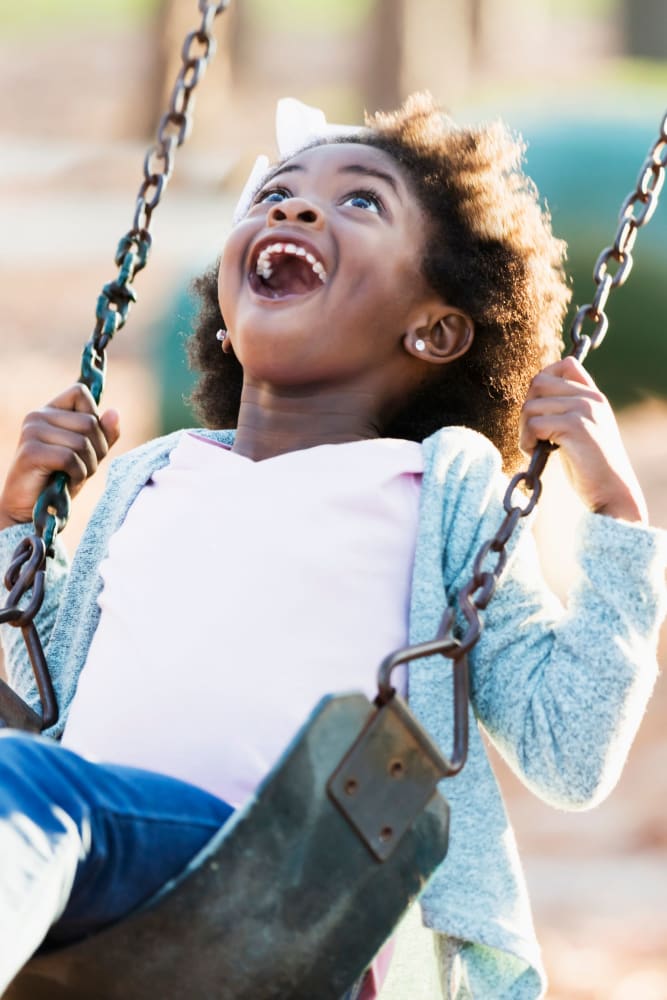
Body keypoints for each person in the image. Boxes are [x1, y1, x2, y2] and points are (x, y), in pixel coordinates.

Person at [0, 93, 665, 999]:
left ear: (434, 328)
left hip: (287, 883)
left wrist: (616, 510)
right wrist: (17, 527)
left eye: (360, 201)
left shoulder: (442, 492)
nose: (294, 207)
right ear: (226, 312)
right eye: (274, 194)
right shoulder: (150, 476)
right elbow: (40, 697)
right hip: (93, 870)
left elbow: (568, 753)